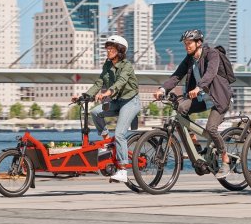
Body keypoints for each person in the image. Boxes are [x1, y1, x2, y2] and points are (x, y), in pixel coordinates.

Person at [154, 29, 233, 179]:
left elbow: (211, 72)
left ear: (198, 43)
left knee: (211, 128)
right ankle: (196, 146)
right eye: (185, 44)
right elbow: (177, 75)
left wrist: (199, 87)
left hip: (219, 97)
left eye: (189, 43)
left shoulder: (212, 54)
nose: (186, 46)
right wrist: (163, 88)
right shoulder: (189, 59)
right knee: (181, 108)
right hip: (203, 98)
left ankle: (225, 158)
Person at [73, 35, 140, 183]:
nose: (108, 50)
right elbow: (99, 82)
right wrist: (84, 96)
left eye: (111, 48)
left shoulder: (127, 65)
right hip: (117, 101)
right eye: (107, 48)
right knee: (96, 112)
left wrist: (108, 93)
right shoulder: (107, 65)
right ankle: (106, 143)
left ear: (120, 50)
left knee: (120, 134)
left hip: (130, 102)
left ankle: (123, 170)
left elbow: (121, 82)